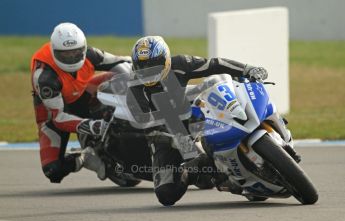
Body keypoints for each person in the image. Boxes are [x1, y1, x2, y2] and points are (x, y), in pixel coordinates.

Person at [130, 36, 268, 206]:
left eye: (153, 66)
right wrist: (177, 142)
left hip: (192, 116)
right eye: (142, 67)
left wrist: (248, 69)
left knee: (221, 92)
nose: (148, 72)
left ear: (165, 60)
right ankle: (193, 170)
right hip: (164, 136)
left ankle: (258, 132)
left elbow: (215, 64)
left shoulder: (180, 63)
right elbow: (150, 129)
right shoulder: (135, 88)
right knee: (166, 195)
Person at [30, 22, 131, 183]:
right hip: (53, 115)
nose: (71, 58)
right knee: (53, 170)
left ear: (83, 48)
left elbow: (122, 61)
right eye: (65, 55)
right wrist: (92, 126)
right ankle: (85, 157)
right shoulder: (44, 76)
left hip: (83, 95)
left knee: (122, 76)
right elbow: (59, 118)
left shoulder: (91, 54)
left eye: (75, 53)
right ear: (53, 51)